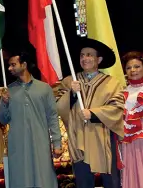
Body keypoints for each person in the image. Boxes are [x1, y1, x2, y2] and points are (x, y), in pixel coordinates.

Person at [56, 38, 124, 188]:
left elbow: (118, 108)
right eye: (82, 55)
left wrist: (93, 114)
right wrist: (72, 94)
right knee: (83, 180)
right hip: (79, 136)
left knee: (110, 180)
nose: (85, 58)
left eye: (89, 55)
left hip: (103, 136)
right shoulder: (70, 81)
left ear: (98, 59)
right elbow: (58, 107)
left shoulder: (112, 83)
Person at [0, 50, 62, 188]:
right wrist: (4, 103)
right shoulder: (8, 91)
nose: (9, 68)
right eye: (9, 65)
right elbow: (3, 120)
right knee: (21, 179)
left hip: (41, 143)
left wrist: (57, 143)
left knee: (44, 178)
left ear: (24, 64)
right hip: (18, 145)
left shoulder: (44, 88)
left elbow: (52, 116)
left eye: (13, 64)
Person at [118, 51, 143, 188]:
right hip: (128, 143)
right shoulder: (122, 92)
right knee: (132, 175)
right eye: (129, 68)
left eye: (137, 66)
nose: (133, 70)